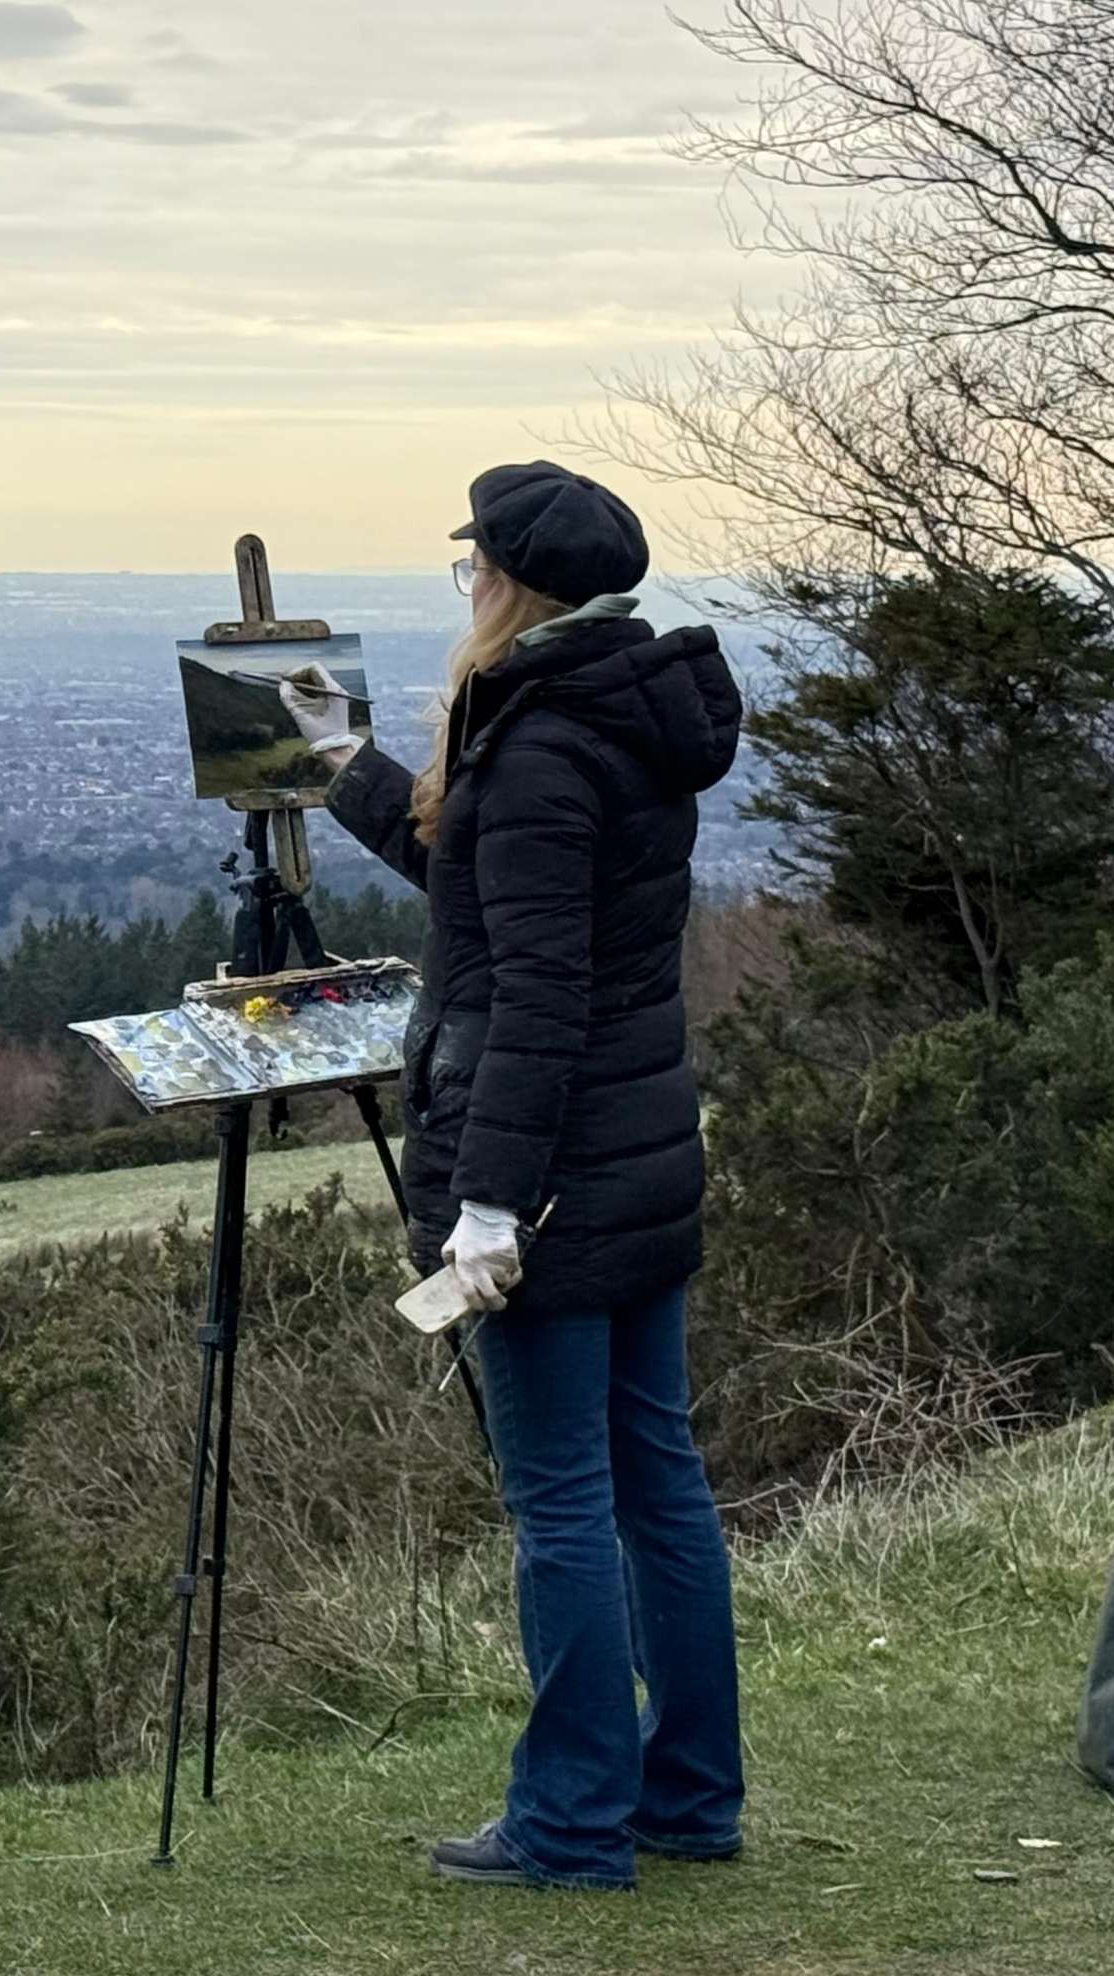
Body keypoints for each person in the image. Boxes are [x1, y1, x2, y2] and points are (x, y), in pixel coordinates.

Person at [279, 461, 745, 1891]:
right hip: (640, 1155)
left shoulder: (540, 744)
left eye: (471, 560)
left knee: (560, 1505)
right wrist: (348, 762)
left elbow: (533, 994)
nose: (464, 580)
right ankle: (688, 1798)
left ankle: (571, 1822)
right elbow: (492, 896)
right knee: (657, 1482)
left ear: (510, 582)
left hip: (552, 1177)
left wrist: (488, 1210)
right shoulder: (613, 711)